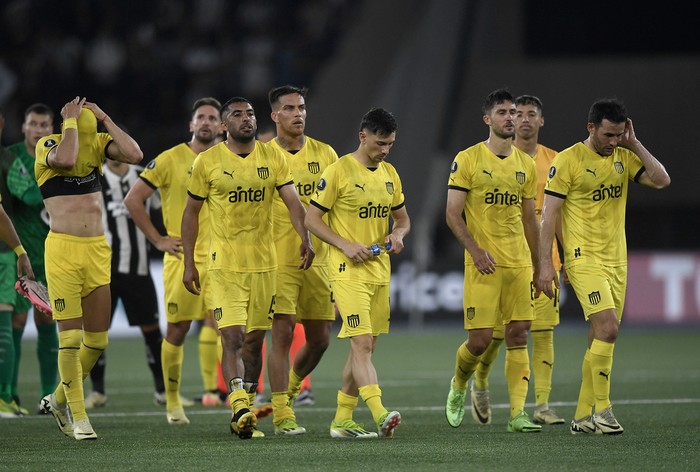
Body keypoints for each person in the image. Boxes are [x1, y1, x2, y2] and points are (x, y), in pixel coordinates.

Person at [181, 96, 314, 439]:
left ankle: (247, 410)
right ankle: (238, 404)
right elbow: (190, 214)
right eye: (237, 115)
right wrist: (188, 263)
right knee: (233, 336)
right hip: (223, 264)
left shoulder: (273, 157)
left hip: (264, 264)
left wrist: (306, 238)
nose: (246, 119)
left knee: (255, 342)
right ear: (225, 125)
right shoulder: (208, 162)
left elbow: (294, 203)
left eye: (250, 113)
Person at [536, 98, 670, 435]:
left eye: (619, 135)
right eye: (608, 135)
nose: (613, 142)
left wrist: (634, 143)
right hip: (583, 257)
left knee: (600, 334)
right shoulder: (567, 161)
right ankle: (605, 411)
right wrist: (546, 266)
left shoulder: (625, 156)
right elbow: (548, 217)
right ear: (591, 128)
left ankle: (582, 416)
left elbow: (662, 180)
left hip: (616, 260)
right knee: (609, 328)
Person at [36, 96, 143, 440]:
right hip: (63, 251)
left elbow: (135, 155)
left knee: (96, 342)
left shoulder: (99, 143)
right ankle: (79, 417)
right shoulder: (49, 145)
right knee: (69, 340)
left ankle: (57, 399)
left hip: (97, 250)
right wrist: (69, 122)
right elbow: (66, 159)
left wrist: (106, 118)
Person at [306, 107, 410, 439]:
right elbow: (312, 220)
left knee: (363, 348)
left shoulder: (390, 173)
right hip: (345, 269)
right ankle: (381, 413)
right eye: (380, 143)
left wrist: (398, 235)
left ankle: (342, 419)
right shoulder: (337, 172)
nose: (385, 151)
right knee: (362, 343)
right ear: (362, 136)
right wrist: (346, 244)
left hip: (379, 271)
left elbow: (403, 219)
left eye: (390, 144)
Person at [444, 88, 542, 433]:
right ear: (488, 119)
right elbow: (453, 214)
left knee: (519, 334)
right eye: (503, 112)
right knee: (480, 341)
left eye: (514, 112)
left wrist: (540, 265)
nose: (511, 118)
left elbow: (530, 220)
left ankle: (517, 414)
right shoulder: (468, 159)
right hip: (484, 262)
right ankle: (459, 385)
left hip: (518, 262)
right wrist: (474, 250)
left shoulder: (525, 165)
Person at [124, 97, 222, 425]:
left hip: (223, 258)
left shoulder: (232, 159)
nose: (206, 122)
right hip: (182, 257)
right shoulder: (169, 160)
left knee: (234, 331)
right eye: (200, 117)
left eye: (212, 117)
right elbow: (133, 198)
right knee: (178, 331)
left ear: (222, 126)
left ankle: (236, 399)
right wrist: (157, 239)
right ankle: (173, 401)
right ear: (191, 125)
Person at [468, 94, 565, 426]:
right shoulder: (489, 159)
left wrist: (555, 259)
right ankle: (480, 380)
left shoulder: (554, 160)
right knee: (494, 336)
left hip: (541, 257)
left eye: (529, 114)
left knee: (541, 331)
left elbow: (558, 213)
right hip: (501, 258)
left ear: (540, 121)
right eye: (515, 113)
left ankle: (541, 405)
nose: (522, 119)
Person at [266, 85, 338, 431]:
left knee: (320, 339)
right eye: (290, 108)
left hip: (320, 259)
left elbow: (339, 208)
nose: (299, 114)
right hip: (278, 257)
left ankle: (291, 390)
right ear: (275, 116)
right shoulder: (262, 155)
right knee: (281, 332)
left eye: (302, 107)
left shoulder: (326, 154)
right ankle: (281, 412)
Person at [83, 157, 166, 409]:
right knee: (96, 332)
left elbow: (163, 209)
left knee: (152, 331)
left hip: (138, 268)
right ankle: (97, 391)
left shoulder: (144, 176)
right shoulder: (94, 178)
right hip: (103, 270)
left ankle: (163, 391)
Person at [4, 104, 58, 414]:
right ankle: (9, 392)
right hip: (18, 252)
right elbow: (31, 198)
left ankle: (47, 395)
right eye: (33, 124)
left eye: (44, 125)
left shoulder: (58, 156)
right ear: (23, 127)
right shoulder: (10, 157)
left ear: (51, 129)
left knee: (47, 317)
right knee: (17, 319)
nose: (38, 129)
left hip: (51, 251)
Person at [0, 108, 35, 417]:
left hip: (7, 252)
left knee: (9, 323)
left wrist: (21, 251)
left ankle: (6, 395)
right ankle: (4, 396)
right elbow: (32, 198)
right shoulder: (9, 158)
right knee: (6, 324)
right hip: (3, 253)